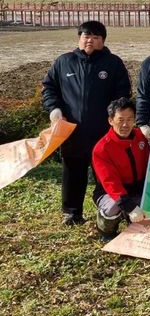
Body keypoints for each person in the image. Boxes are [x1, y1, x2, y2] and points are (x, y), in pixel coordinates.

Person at [42, 20, 131, 226]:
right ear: (79, 38)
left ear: (103, 41)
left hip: (103, 132)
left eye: (96, 37)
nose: (90, 40)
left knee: (106, 174)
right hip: (72, 131)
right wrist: (55, 111)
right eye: (86, 36)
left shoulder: (113, 63)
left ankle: (111, 210)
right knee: (73, 172)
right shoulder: (64, 62)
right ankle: (72, 213)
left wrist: (116, 120)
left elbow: (123, 93)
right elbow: (49, 88)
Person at [91, 98, 149, 241]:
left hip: (137, 189)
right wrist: (129, 206)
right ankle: (106, 230)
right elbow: (110, 182)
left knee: (148, 216)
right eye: (120, 119)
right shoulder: (102, 148)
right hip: (110, 192)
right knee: (112, 208)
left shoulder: (142, 137)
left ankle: (129, 215)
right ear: (111, 120)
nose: (125, 124)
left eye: (130, 119)